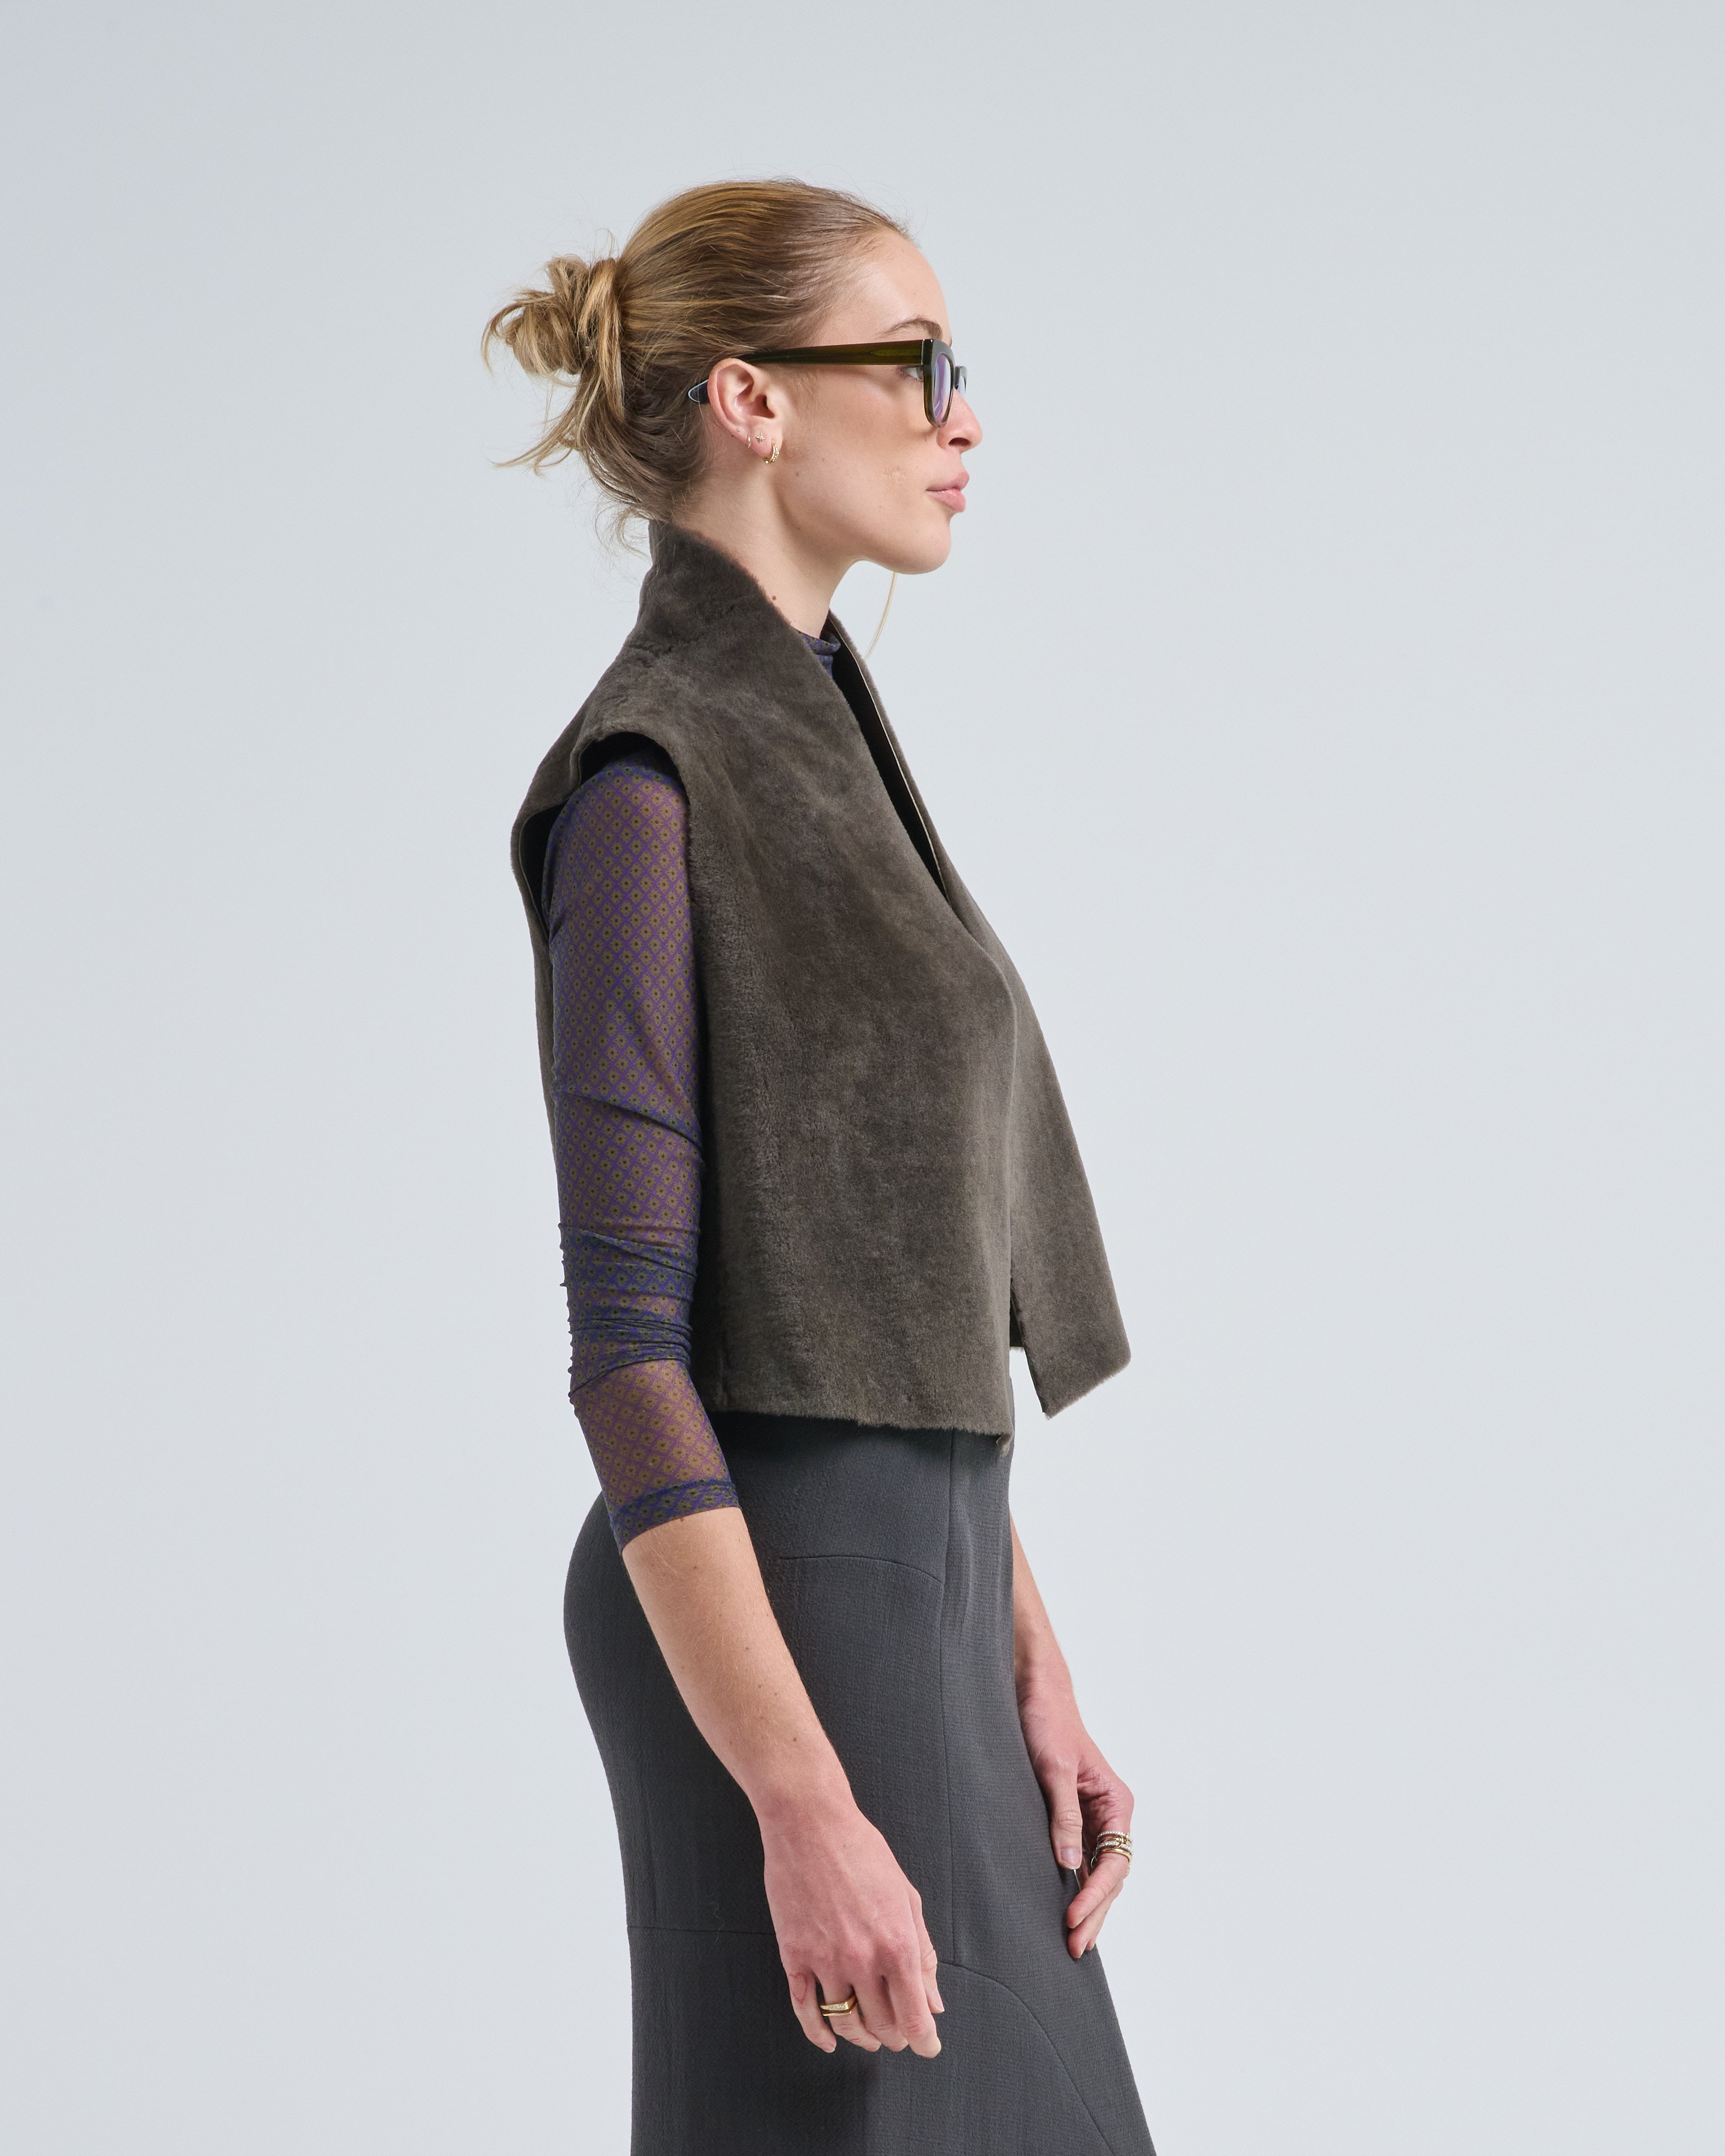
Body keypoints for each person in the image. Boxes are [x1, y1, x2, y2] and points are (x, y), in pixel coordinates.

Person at [487, 178, 1155, 2154]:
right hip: (780, 1626)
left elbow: (877, 1298)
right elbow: (632, 1353)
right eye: (923, 365)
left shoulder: (822, 741)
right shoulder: (649, 782)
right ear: (754, 400)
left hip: (915, 1597)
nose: (965, 416)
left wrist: (1028, 1660)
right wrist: (797, 1801)